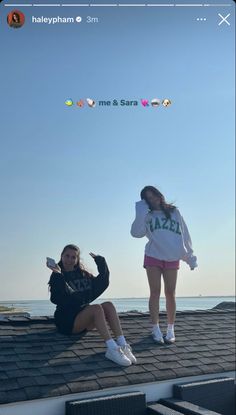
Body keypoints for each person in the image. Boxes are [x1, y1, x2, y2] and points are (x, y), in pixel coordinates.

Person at [47, 244, 137, 366]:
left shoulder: (83, 275)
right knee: (96, 308)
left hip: (83, 319)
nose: (69, 259)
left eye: (73, 257)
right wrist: (58, 275)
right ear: (61, 256)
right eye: (67, 256)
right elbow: (57, 298)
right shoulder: (57, 275)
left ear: (77, 260)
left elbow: (102, 283)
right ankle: (112, 348)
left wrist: (101, 262)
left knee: (108, 305)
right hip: (67, 321)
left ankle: (123, 345)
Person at [131, 186, 197, 344]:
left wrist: (190, 254)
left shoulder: (174, 212)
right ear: (145, 201)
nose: (153, 199)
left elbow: (185, 233)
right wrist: (140, 212)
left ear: (159, 195)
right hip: (153, 256)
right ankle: (155, 328)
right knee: (155, 292)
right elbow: (135, 233)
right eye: (148, 198)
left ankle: (170, 329)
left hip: (172, 257)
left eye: (154, 195)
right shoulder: (147, 216)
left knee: (170, 293)